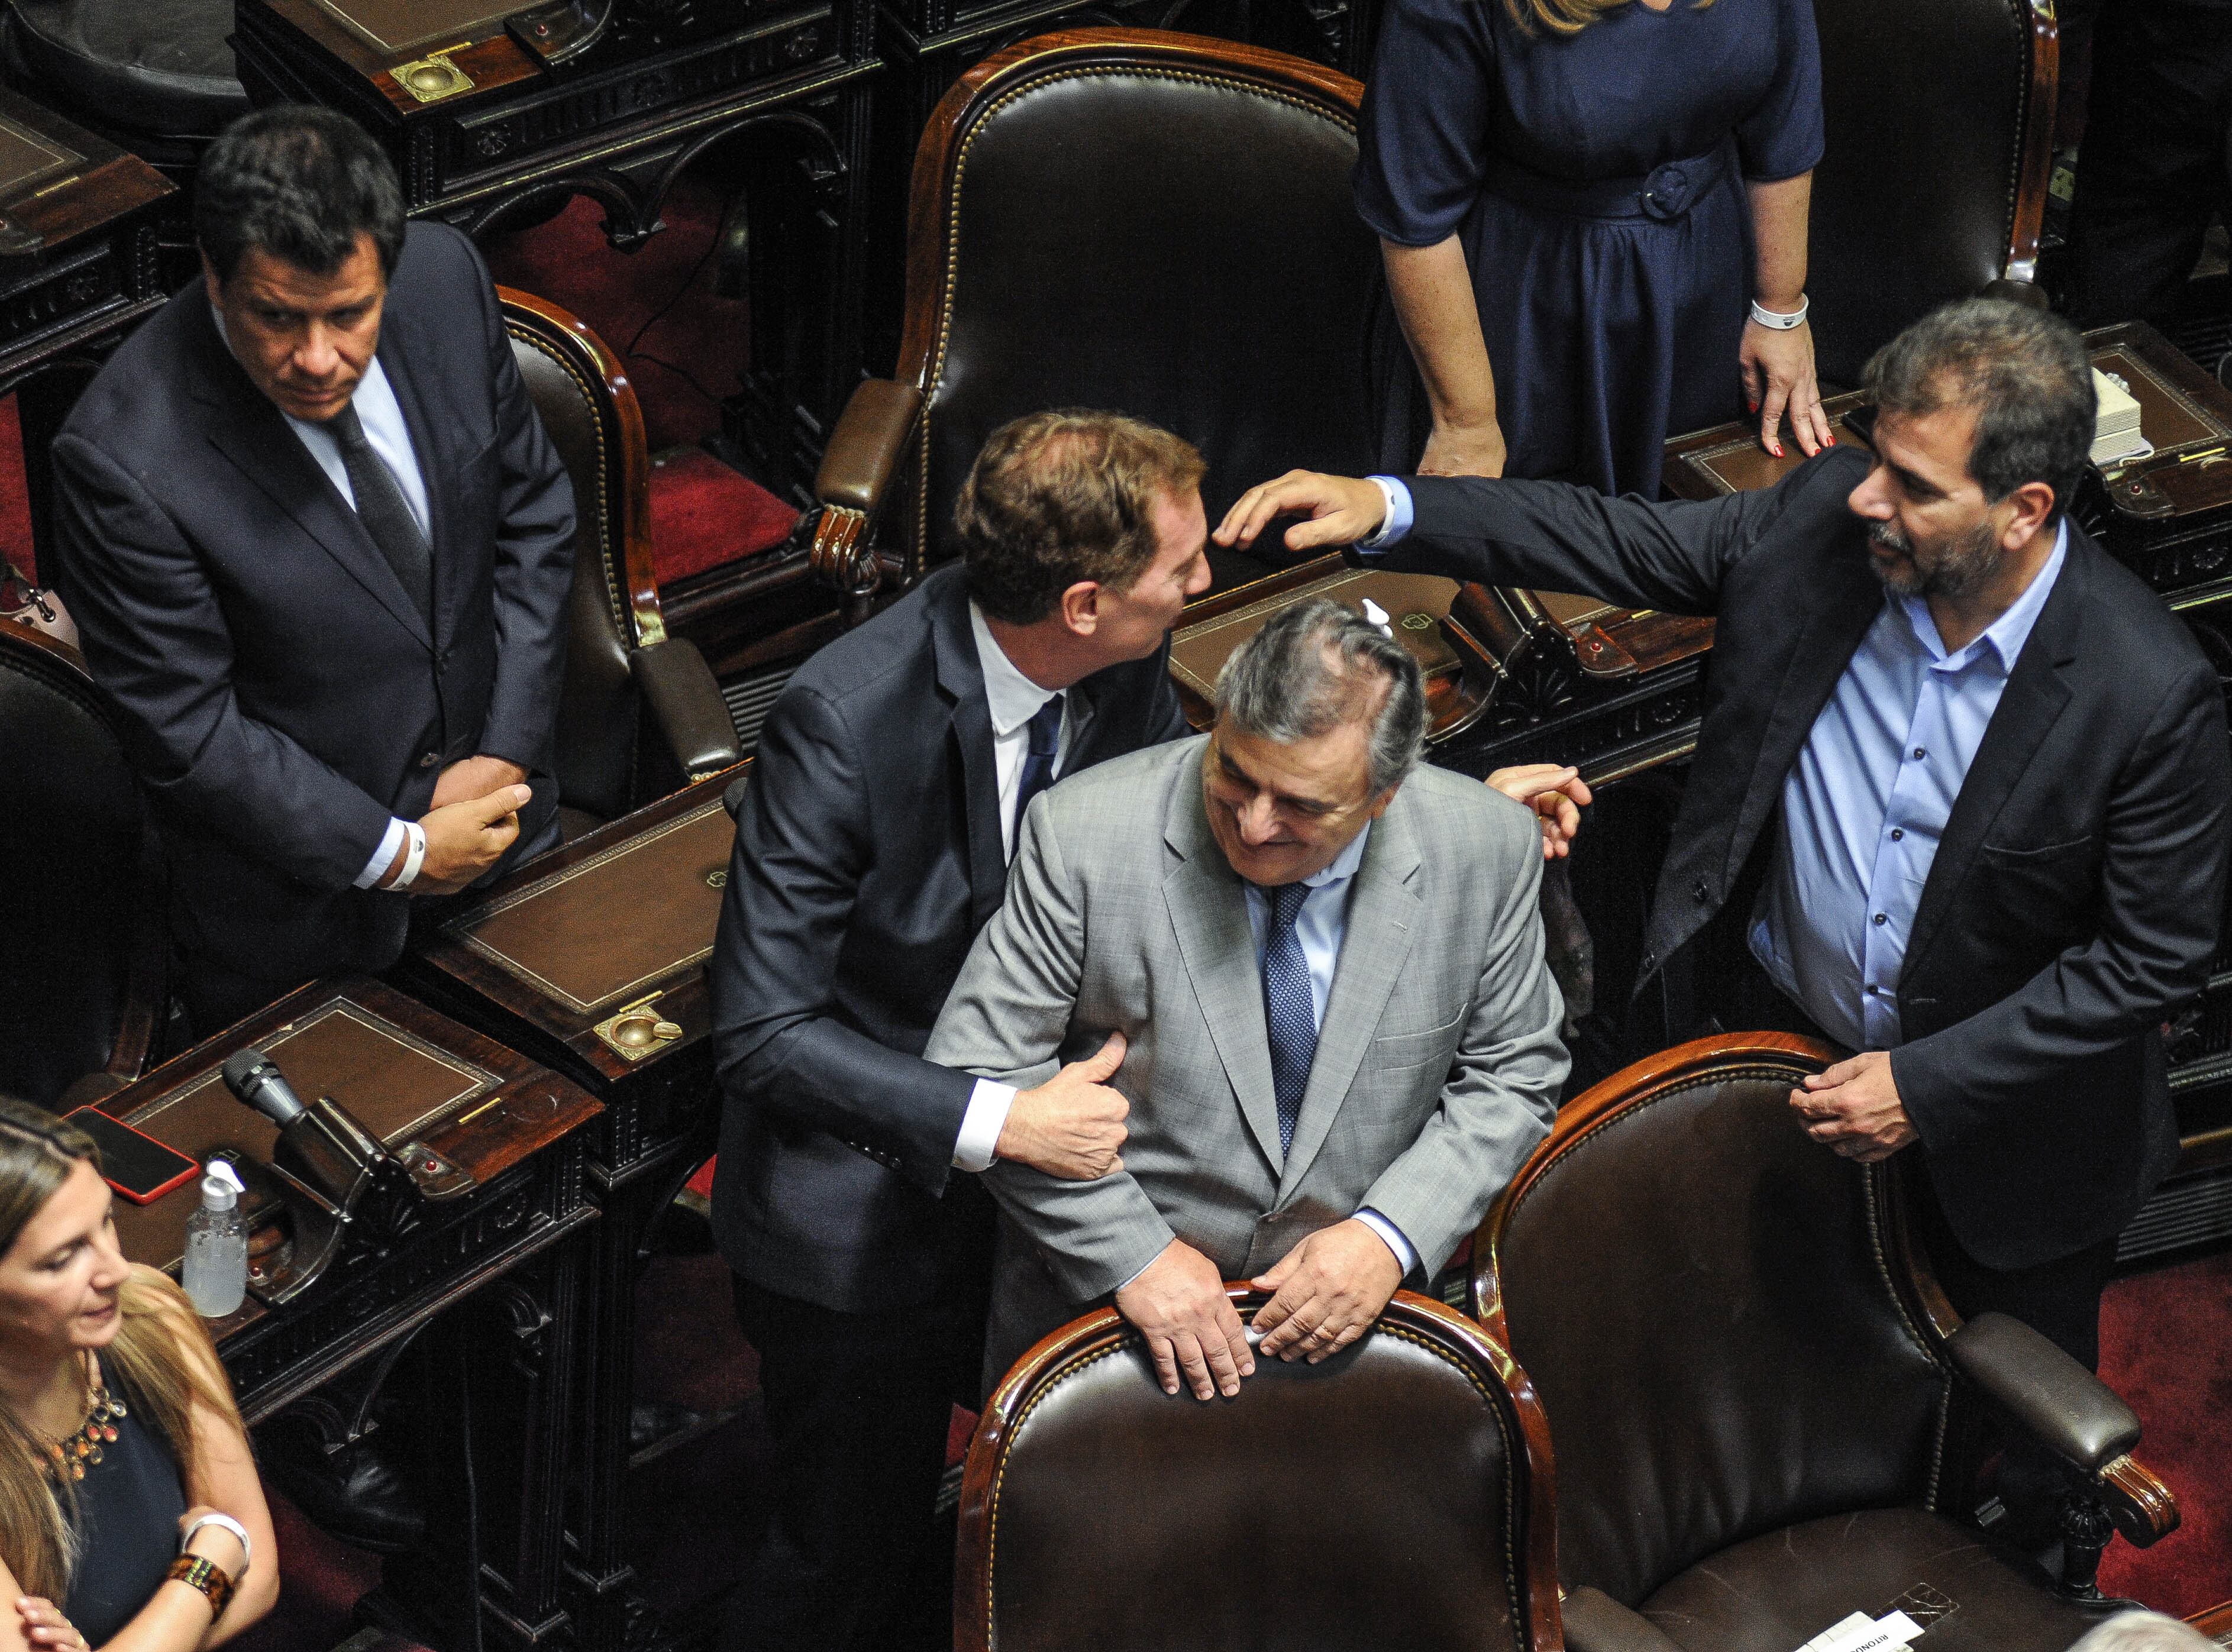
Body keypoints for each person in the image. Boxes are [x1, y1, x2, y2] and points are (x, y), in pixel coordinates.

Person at [1214, 299, 2232, 1394]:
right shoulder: (1823, 523)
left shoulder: (2146, 691)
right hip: (1779, 1059)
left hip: (2012, 1146)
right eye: (1875, 457)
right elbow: (1613, 537)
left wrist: (1925, 1085)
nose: (1868, 499)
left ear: (2022, 510)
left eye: (1915, 487)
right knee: (1777, 1366)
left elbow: (2148, 959)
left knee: (2011, 1424)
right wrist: (1387, 504)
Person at [707, 410, 1209, 1652]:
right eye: (1180, 568)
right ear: (1081, 602)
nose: (1205, 584)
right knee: (844, 1550)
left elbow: (1175, 819)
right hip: (859, 1203)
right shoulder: (843, 717)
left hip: (1038, 1193)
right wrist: (1003, 1119)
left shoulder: (1124, 659)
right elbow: (762, 1032)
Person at [926, 599, 1569, 1398]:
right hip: (1108, 1325)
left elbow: (1515, 1071)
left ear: (1386, 793)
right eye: (1234, 773)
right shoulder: (1082, 834)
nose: (1255, 826)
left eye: (1302, 804)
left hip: (1360, 1324)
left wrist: (1388, 1237)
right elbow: (973, 1070)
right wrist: (1135, 1254)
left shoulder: (1483, 846)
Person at [53, 105, 576, 1036]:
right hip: (306, 919)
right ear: (215, 280)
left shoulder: (447, 282)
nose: (317, 359)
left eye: (349, 315)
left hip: (506, 824)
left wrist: (505, 751)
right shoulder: (120, 456)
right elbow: (190, 731)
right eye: (277, 318)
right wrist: (400, 851)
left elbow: (533, 515)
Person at [1357, 0, 1832, 496]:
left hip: (1708, 306)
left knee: (1703, 537)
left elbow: (1784, 125)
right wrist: (1466, 423)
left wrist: (1780, 309)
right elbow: (1414, 212)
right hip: (1521, 331)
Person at [0, 1098, 276, 1652]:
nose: (115, 1269)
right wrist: (211, 1557)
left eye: (107, 1222)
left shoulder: (151, 1311)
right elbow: (233, 1542)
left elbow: (263, 1579)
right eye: (63, 1258)